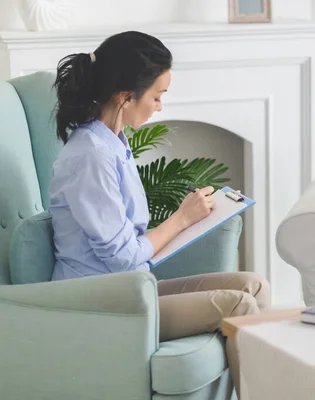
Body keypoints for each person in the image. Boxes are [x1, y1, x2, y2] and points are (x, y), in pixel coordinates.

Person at [49, 31, 270, 393]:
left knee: (254, 284)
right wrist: (182, 218)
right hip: (100, 302)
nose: (159, 106)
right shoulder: (90, 156)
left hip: (132, 287)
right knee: (239, 305)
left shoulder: (114, 143)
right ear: (125, 97)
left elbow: (131, 245)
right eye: (157, 96)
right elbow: (122, 257)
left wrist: (199, 217)